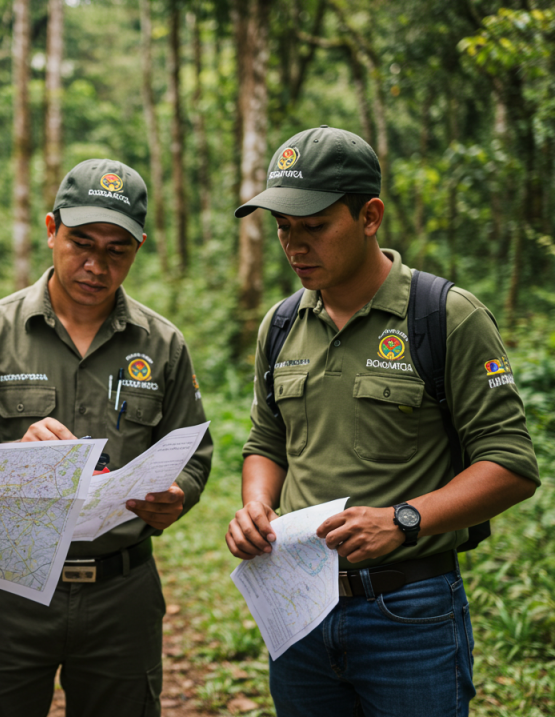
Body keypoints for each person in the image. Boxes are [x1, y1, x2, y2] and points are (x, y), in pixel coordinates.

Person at [226, 125, 539, 716]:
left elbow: (511, 465)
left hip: (410, 612)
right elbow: (267, 440)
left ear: (369, 216)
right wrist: (256, 505)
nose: (294, 246)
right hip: (298, 608)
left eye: (314, 226)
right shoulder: (282, 323)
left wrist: (405, 519)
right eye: (283, 228)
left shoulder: (444, 316)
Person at [0, 159, 213, 716]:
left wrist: (176, 495)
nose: (95, 264)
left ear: (139, 248)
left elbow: (194, 453)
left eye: (117, 250)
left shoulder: (162, 344)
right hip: (10, 584)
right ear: (50, 228)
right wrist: (13, 456)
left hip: (122, 590)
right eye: (81, 241)